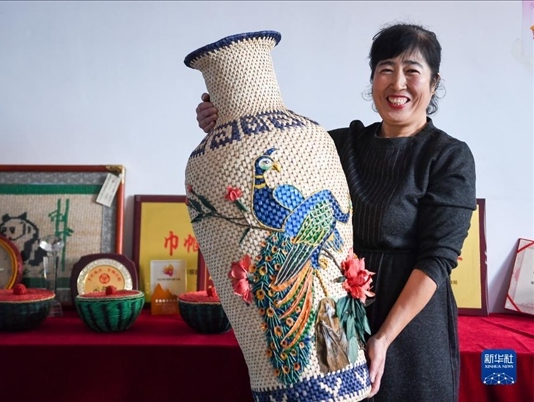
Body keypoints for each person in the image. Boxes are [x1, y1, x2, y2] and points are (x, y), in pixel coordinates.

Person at [194, 23, 476, 402]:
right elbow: (267, 157)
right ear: (372, 78)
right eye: (386, 69)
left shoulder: (448, 157)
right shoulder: (339, 144)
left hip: (411, 328)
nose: (398, 83)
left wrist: (383, 337)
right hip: (336, 316)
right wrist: (226, 116)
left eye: (412, 70)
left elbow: (437, 261)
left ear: (434, 81)